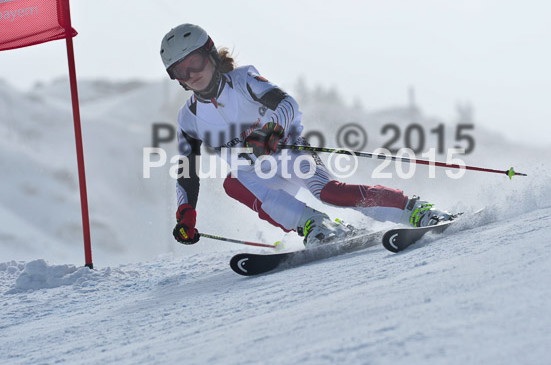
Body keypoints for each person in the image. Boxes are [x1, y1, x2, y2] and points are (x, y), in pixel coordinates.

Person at [160, 23, 453, 246]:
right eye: (179, 72)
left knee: (330, 192)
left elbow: (288, 104)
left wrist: (271, 132)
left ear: (210, 54)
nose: (191, 75)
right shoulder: (189, 118)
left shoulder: (244, 79)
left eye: (194, 63)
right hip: (256, 173)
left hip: (288, 152)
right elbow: (187, 171)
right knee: (233, 182)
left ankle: (415, 210)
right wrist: (185, 213)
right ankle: (317, 226)